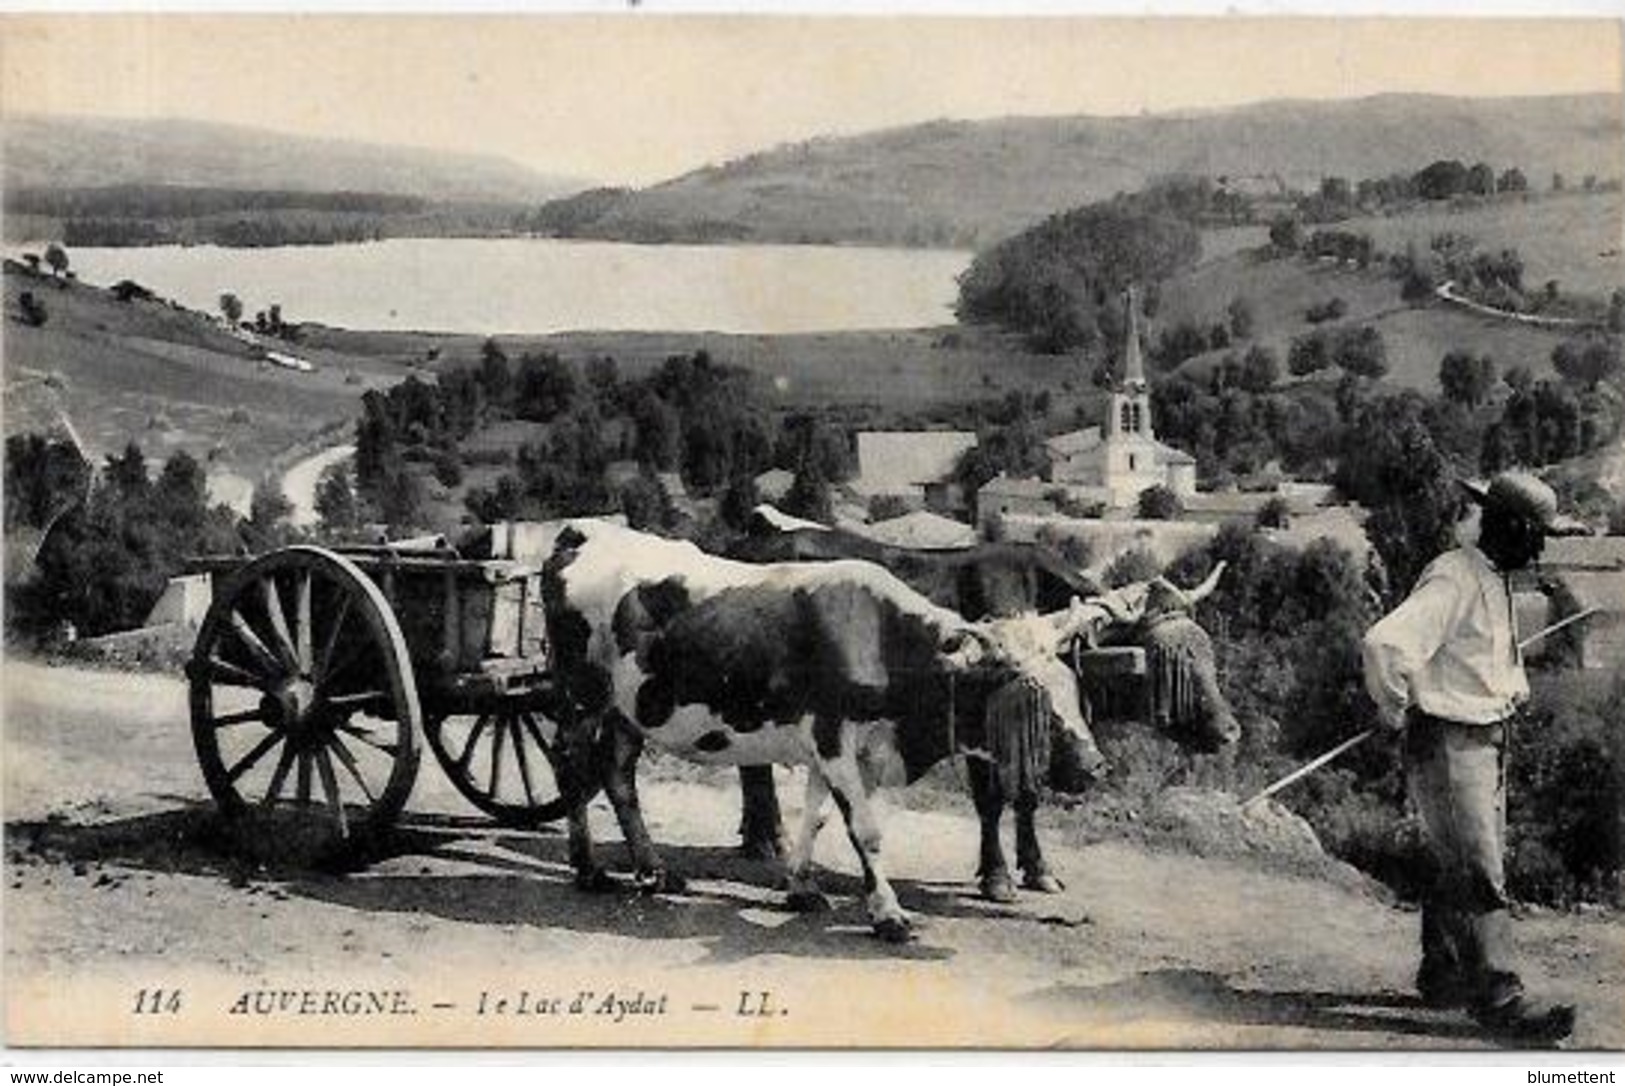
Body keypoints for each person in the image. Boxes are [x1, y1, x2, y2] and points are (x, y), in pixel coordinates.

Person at [1362, 470, 1588, 1044]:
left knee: (1456, 861)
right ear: (1507, 526)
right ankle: (1500, 998)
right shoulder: (1454, 578)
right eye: (1536, 535)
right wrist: (1393, 707)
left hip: (1484, 738)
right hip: (1447, 740)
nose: (1539, 548)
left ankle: (1443, 974)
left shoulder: (1492, 576)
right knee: (1480, 869)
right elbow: (1386, 643)